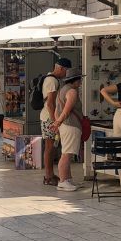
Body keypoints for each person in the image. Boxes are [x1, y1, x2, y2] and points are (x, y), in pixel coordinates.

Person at [50, 68, 85, 192]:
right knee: (66, 154)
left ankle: (68, 179)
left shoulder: (61, 91)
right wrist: (58, 122)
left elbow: (56, 110)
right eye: (80, 80)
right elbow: (67, 110)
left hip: (64, 125)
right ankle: (63, 181)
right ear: (75, 81)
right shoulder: (72, 92)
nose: (80, 83)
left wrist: (58, 123)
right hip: (71, 125)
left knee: (66, 152)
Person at [40, 57, 71, 186]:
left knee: (51, 147)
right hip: (49, 118)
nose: (66, 74)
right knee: (50, 147)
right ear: (61, 68)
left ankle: (50, 175)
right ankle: (48, 176)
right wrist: (55, 122)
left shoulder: (50, 78)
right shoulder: (52, 81)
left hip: (48, 117)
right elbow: (50, 104)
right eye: (66, 70)